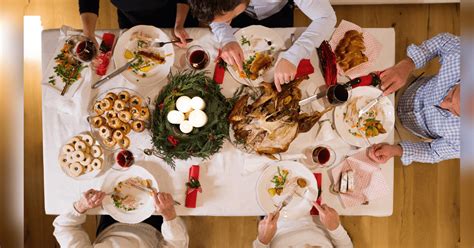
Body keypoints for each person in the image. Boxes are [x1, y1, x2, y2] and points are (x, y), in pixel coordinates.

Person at [187, 0, 336, 91]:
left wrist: (293, 56)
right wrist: (225, 37)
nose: (225, 22)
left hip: (278, 13)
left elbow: (327, 18)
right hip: (243, 15)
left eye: (227, 19)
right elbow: (212, 13)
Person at [367, 33, 460, 165]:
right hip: (403, 86)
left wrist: (396, 150)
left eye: (454, 111)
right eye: (453, 92)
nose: (443, 103)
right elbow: (442, 42)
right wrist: (407, 65)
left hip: (403, 130)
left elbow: (433, 152)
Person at [53, 189, 188, 247]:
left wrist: (81, 206)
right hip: (152, 226)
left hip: (111, 223)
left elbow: (64, 228)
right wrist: (169, 215)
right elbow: (177, 244)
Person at [78, 0, 199, 48]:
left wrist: (179, 24)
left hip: (176, 17)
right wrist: (88, 34)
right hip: (131, 21)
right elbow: (88, 2)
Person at [253, 203, 353, 247]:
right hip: (320, 214)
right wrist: (335, 227)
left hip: (278, 218)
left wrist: (263, 239)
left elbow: (261, 244)